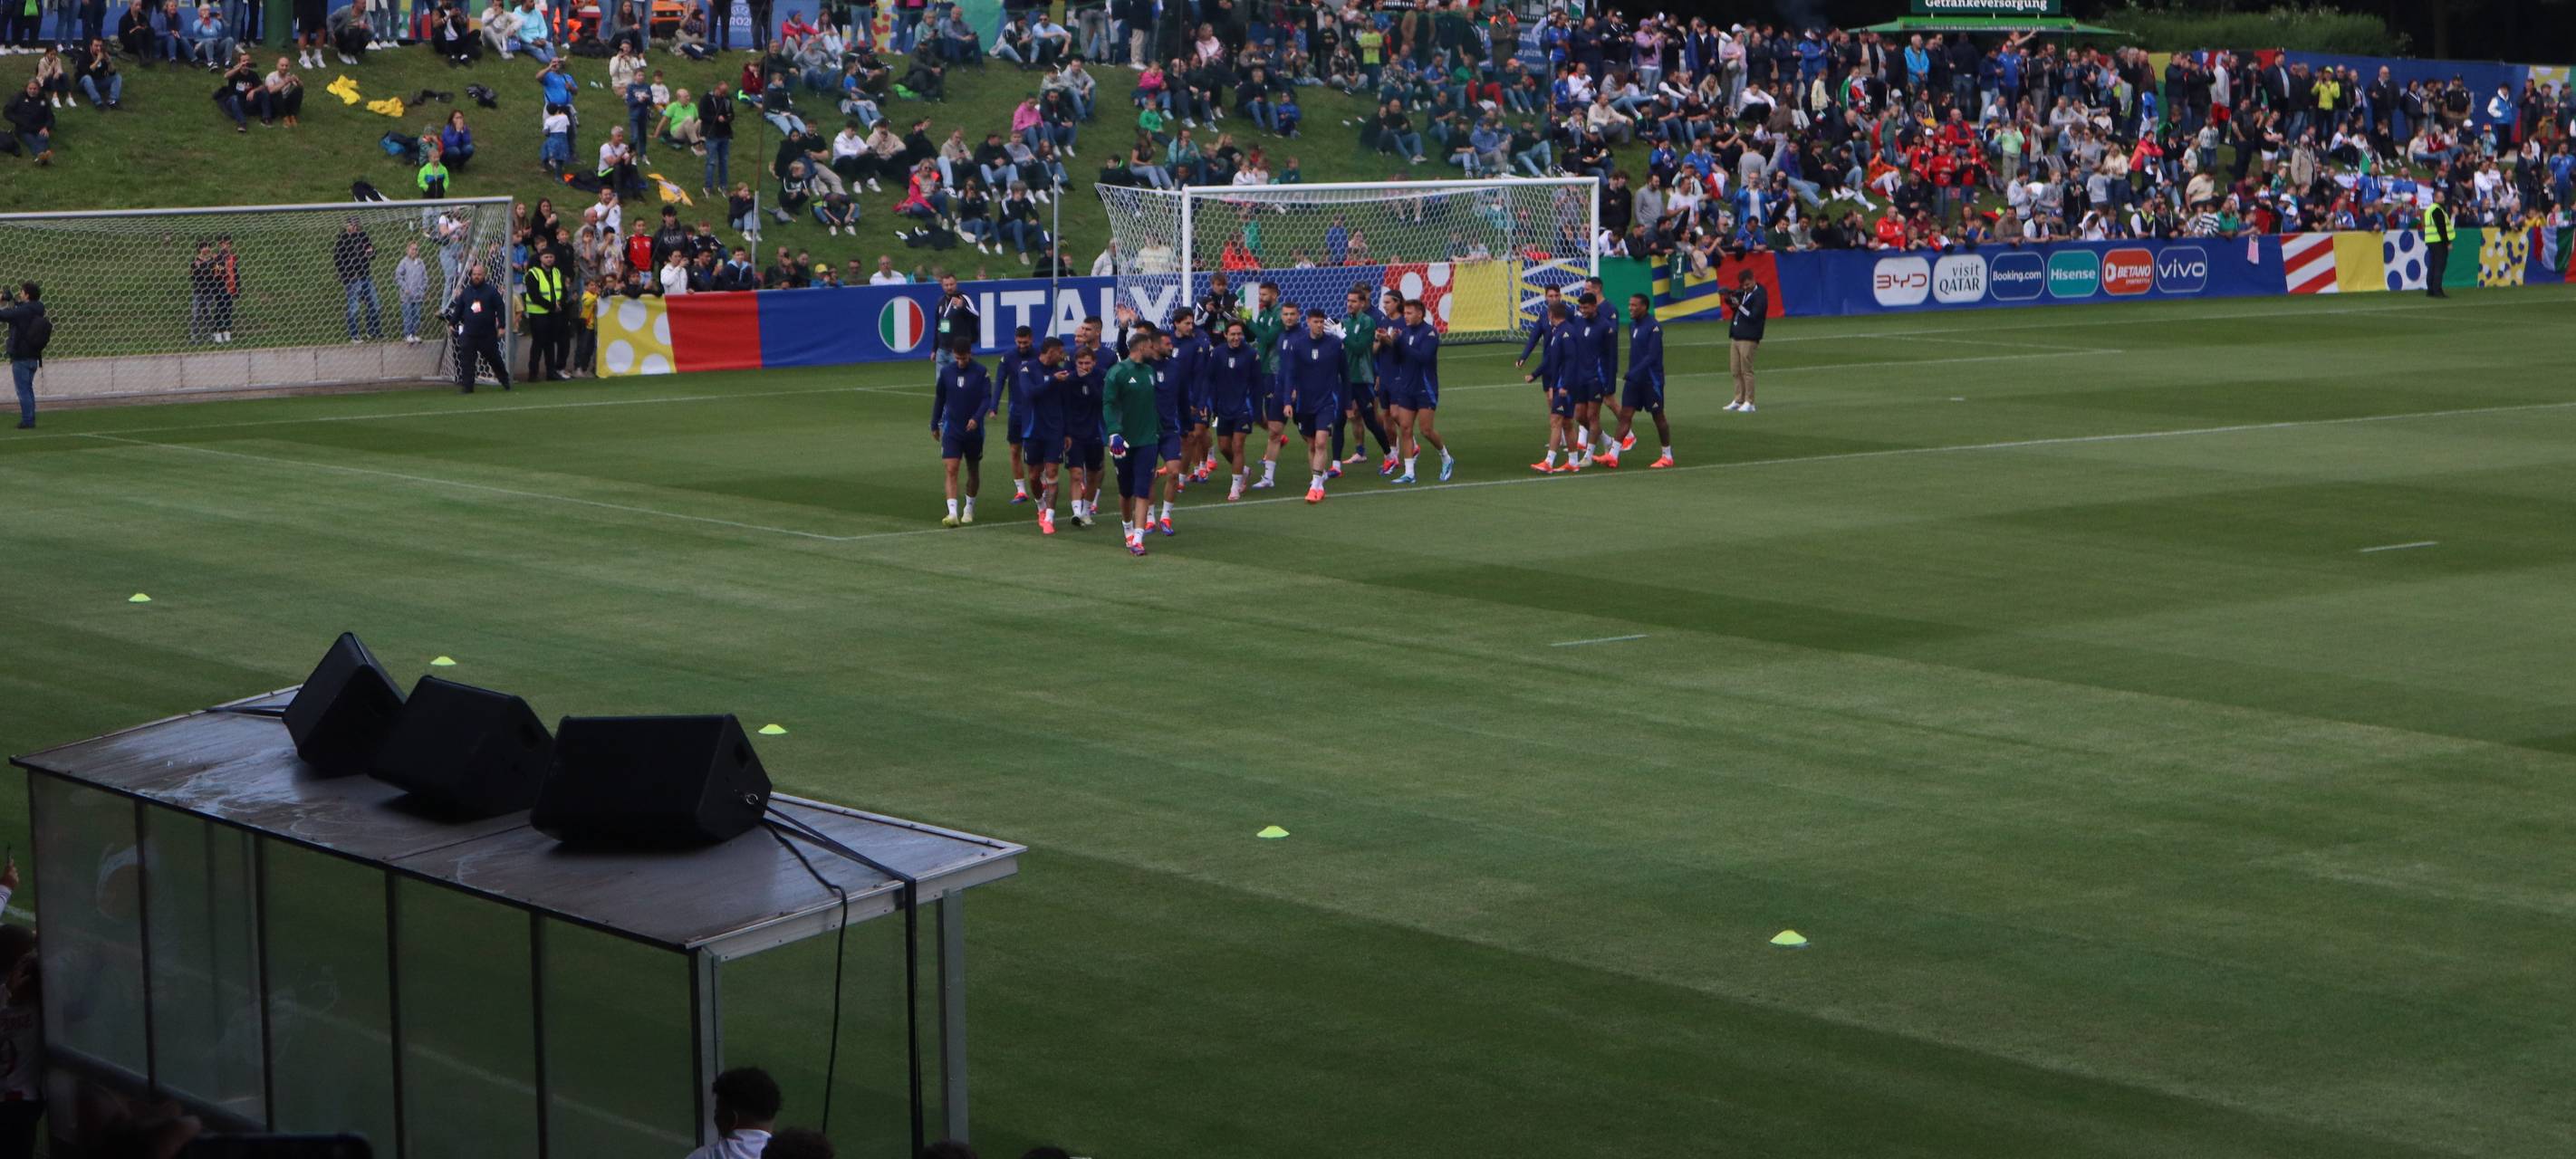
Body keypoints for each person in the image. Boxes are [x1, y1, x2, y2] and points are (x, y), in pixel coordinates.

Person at [1101, 323, 1163, 557]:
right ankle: (1127, 527)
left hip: (1148, 440)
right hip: (1123, 442)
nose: (1153, 350)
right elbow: (1108, 404)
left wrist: (1158, 430)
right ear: (1141, 347)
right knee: (1126, 490)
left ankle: (1138, 538)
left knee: (1143, 488)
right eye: (1150, 346)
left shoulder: (1149, 372)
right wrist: (1113, 432)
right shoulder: (1118, 372)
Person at [1380, 297, 1450, 484]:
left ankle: (1445, 457)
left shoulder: (1430, 334)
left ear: (1420, 314)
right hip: (1406, 387)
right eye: (1405, 313)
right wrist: (1392, 343)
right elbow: (1397, 360)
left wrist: (1401, 344)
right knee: (1405, 428)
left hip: (1425, 388)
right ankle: (1409, 472)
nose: (1406, 316)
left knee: (1426, 430)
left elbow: (1423, 358)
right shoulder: (1403, 334)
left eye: (1410, 313)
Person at [1604, 294, 1672, 469]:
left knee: (1658, 417)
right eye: (1629, 305)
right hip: (1635, 380)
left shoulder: (1654, 327)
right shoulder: (1633, 325)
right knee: (1625, 415)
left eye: (1634, 305)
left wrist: (1634, 371)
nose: (1630, 308)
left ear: (1644, 307)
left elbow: (1652, 355)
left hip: (1651, 380)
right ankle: (1613, 455)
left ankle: (1667, 455)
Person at [1284, 307, 1343, 504]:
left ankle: (1315, 485)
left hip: (1327, 402)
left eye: (1321, 322)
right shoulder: (1299, 345)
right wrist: (1287, 401)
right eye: (1315, 322)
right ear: (1308, 322)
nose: (1319, 325)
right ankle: (1317, 482)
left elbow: (1345, 373)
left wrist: (1348, 400)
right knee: (1311, 444)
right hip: (1304, 403)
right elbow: (1290, 374)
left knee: (1320, 442)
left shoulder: (1335, 344)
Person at [931, 336, 989, 527]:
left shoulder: (981, 372)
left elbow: (986, 399)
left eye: (963, 358)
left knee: (973, 470)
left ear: (970, 355)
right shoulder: (947, 373)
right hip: (952, 429)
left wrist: (976, 417)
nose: (960, 362)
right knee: (951, 468)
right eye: (957, 358)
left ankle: (969, 508)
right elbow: (940, 398)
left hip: (974, 431)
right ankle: (952, 512)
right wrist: (934, 423)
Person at [1524, 299, 1587, 474]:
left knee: (1555, 420)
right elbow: (1552, 359)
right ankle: (1573, 462)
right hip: (1562, 383)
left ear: (1552, 315)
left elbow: (1571, 360)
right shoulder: (1558, 331)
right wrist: (1535, 374)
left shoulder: (1565, 333)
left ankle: (1549, 462)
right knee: (1567, 422)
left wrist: (1564, 385)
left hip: (1565, 384)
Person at [1019, 336, 1066, 535]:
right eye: (1060, 352)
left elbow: (1067, 403)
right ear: (1050, 351)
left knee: (1053, 473)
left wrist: (1068, 432)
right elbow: (1030, 394)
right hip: (1033, 430)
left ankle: (1049, 518)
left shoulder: (1061, 372)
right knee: (1033, 475)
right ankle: (1040, 506)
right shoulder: (1027, 370)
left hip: (1054, 430)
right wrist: (1053, 381)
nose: (1062, 355)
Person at [1208, 320, 1258, 502]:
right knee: (1223, 447)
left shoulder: (1251, 354)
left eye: (1239, 334)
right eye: (1233, 334)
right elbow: (1211, 379)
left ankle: (1235, 487)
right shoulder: (1218, 353)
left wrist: (1256, 407)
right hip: (1223, 407)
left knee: (1238, 445)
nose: (1236, 337)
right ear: (1225, 335)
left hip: (1243, 407)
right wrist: (1212, 405)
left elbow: (1256, 382)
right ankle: (1244, 471)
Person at [683, 1067, 781, 1159]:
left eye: (717, 1111)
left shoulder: (704, 1156)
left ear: (731, 1118)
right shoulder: (788, 1153)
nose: (715, 1118)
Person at [448, 261, 511, 392]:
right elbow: (459, 308)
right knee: (467, 361)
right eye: (475, 274)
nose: (476, 276)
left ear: (484, 276)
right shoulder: (466, 292)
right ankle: (467, 387)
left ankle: (505, 381)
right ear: (471, 275)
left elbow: (500, 308)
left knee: (495, 359)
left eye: (479, 274)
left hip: (487, 334)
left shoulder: (491, 291)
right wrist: (452, 323)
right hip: (469, 333)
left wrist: (502, 326)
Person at [0, 285, 46, 430]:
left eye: (22, 292)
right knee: (28, 389)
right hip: (33, 356)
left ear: (27, 295)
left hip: (21, 356)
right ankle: (30, 418)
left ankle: (27, 420)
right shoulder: (37, 309)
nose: (20, 294)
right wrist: (12, 300)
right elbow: (19, 311)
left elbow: (5, 315)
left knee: (23, 390)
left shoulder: (24, 311)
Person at [332, 217, 386, 343]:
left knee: (375, 304)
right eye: (352, 225)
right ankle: (354, 335)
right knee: (354, 308)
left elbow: (372, 252)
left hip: (365, 276)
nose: (355, 227)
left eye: (356, 225)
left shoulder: (363, 236)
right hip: (352, 279)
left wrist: (371, 252)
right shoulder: (342, 240)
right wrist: (348, 274)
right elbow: (338, 261)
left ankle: (373, 331)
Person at [522, 246, 571, 380]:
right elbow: (534, 295)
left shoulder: (556, 272)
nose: (549, 259)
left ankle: (551, 372)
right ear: (541, 258)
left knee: (550, 343)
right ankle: (533, 373)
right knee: (538, 343)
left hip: (554, 313)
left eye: (551, 257)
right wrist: (551, 306)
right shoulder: (533, 273)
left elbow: (562, 291)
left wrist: (560, 303)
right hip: (538, 313)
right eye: (546, 257)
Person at [1720, 268, 1764, 412]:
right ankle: (1739, 399)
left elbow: (1753, 316)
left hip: (1749, 337)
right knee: (1735, 370)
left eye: (1747, 284)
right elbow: (1736, 309)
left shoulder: (1760, 295)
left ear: (1753, 279)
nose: (1745, 287)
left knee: (1747, 371)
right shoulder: (1743, 292)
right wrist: (1728, 299)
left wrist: (1739, 306)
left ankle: (1750, 402)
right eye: (1743, 285)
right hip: (1737, 335)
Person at [5, 79, 54, 166]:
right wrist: (18, 120)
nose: (32, 91)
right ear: (26, 88)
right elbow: (7, 112)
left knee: (43, 138)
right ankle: (45, 156)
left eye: (35, 89)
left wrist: (46, 127)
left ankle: (41, 158)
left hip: (40, 128)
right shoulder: (19, 97)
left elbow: (51, 118)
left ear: (38, 89)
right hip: (24, 130)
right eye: (30, 88)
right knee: (32, 142)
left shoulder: (43, 100)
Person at [395, 242, 431, 345]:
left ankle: (414, 334)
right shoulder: (403, 262)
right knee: (408, 317)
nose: (414, 251)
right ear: (408, 250)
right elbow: (398, 277)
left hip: (418, 296)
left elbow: (425, 277)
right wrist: (405, 288)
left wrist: (423, 289)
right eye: (412, 249)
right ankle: (408, 335)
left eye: (416, 249)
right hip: (407, 296)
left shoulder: (420, 262)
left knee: (417, 317)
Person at [2424, 196, 2454, 299]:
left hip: (2430, 240)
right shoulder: (2437, 210)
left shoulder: (2429, 209)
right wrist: (2447, 242)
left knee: (2432, 265)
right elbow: (2441, 228)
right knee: (2439, 266)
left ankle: (2431, 289)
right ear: (2435, 199)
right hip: (2438, 241)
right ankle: (2437, 290)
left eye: (2442, 197)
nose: (2443, 199)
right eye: (2440, 197)